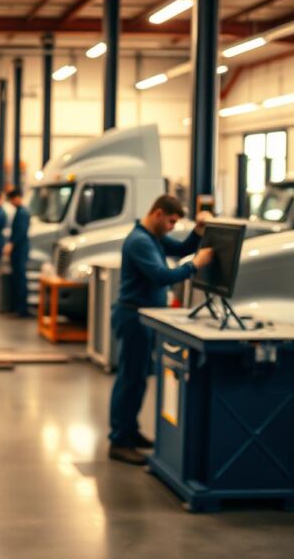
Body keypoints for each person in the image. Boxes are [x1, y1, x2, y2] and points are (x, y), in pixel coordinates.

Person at [108, 195, 214, 465]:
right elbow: (161, 275)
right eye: (170, 221)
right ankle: (119, 441)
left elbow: (179, 249)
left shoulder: (151, 236)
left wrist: (198, 232)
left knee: (137, 379)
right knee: (130, 380)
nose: (171, 227)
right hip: (133, 317)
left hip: (140, 316)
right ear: (157, 214)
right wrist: (196, 265)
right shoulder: (140, 241)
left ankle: (129, 432)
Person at [3, 189, 30, 317]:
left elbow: (20, 232)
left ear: (18, 198)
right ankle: (16, 306)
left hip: (20, 249)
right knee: (17, 277)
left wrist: (11, 244)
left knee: (20, 278)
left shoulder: (23, 213)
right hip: (17, 249)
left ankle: (22, 309)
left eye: (12, 199)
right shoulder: (19, 211)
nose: (12, 202)